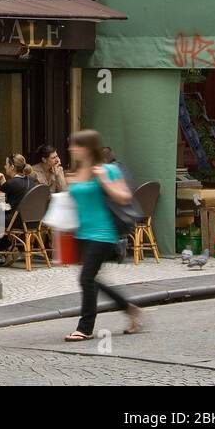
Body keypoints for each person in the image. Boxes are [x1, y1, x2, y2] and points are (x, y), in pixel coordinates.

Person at [64, 129, 143, 341]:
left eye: (76, 145)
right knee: (91, 280)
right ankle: (129, 308)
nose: (72, 149)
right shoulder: (76, 172)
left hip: (103, 233)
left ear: (88, 148)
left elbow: (124, 197)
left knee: (86, 278)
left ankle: (85, 328)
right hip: (81, 233)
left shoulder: (107, 169)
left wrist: (104, 180)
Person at [0, 154, 34, 218]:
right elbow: (8, 191)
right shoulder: (30, 180)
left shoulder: (12, 182)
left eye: (6, 164)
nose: (4, 166)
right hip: (28, 220)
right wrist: (2, 179)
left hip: (13, 220)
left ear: (12, 167)